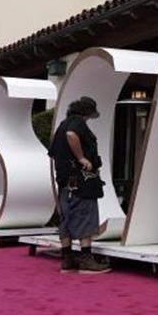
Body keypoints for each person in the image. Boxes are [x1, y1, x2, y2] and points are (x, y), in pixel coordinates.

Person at [48, 96, 111, 274]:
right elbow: (72, 135)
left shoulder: (62, 125)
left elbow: (53, 153)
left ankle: (67, 258)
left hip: (64, 180)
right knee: (86, 215)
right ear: (86, 113)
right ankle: (86, 259)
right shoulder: (77, 124)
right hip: (81, 180)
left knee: (66, 218)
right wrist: (81, 158)